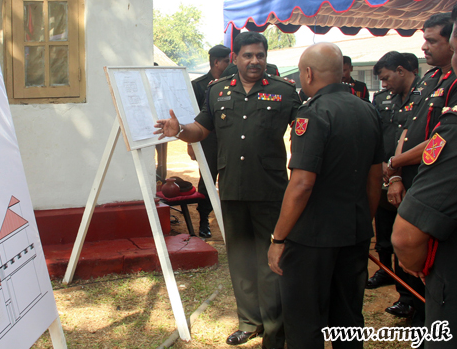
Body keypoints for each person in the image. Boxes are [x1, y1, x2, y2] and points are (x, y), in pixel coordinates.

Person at [155, 32, 300, 349]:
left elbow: (306, 129)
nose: (254, 61)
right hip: (232, 190)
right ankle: (249, 322)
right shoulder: (218, 91)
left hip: (271, 192)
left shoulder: (284, 92)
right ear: (236, 58)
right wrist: (178, 129)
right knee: (240, 260)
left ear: (265, 57)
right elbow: (201, 129)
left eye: (260, 55)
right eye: (248, 55)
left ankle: (276, 332)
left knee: (272, 263)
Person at [267, 42, 383, 348]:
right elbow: (375, 177)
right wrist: (363, 222)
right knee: (348, 319)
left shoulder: (312, 114)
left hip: (312, 239)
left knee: (305, 321)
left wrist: (278, 238)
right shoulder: (368, 110)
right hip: (354, 231)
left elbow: (302, 183)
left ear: (307, 73)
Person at [384, 13, 456, 324]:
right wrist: (397, 173)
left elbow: (437, 141)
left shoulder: (452, 83)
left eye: (433, 41)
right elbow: (407, 129)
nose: (424, 47)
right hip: (414, 180)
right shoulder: (431, 79)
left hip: (436, 184)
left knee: (434, 269)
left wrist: (397, 163)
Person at [368, 52, 426, 320]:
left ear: (402, 71)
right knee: (384, 224)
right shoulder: (382, 100)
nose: (385, 84)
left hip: (411, 177)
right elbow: (378, 134)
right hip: (384, 173)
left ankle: (410, 297)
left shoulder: (425, 97)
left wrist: (396, 174)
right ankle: (388, 273)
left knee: (407, 236)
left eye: (387, 78)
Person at [188, 45, 231, 238]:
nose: (231, 64)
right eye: (227, 61)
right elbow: (192, 116)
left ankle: (230, 221)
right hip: (208, 140)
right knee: (207, 179)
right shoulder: (198, 85)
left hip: (230, 138)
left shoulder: (234, 82)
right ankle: (204, 220)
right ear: (216, 62)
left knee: (230, 179)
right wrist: (190, 143)